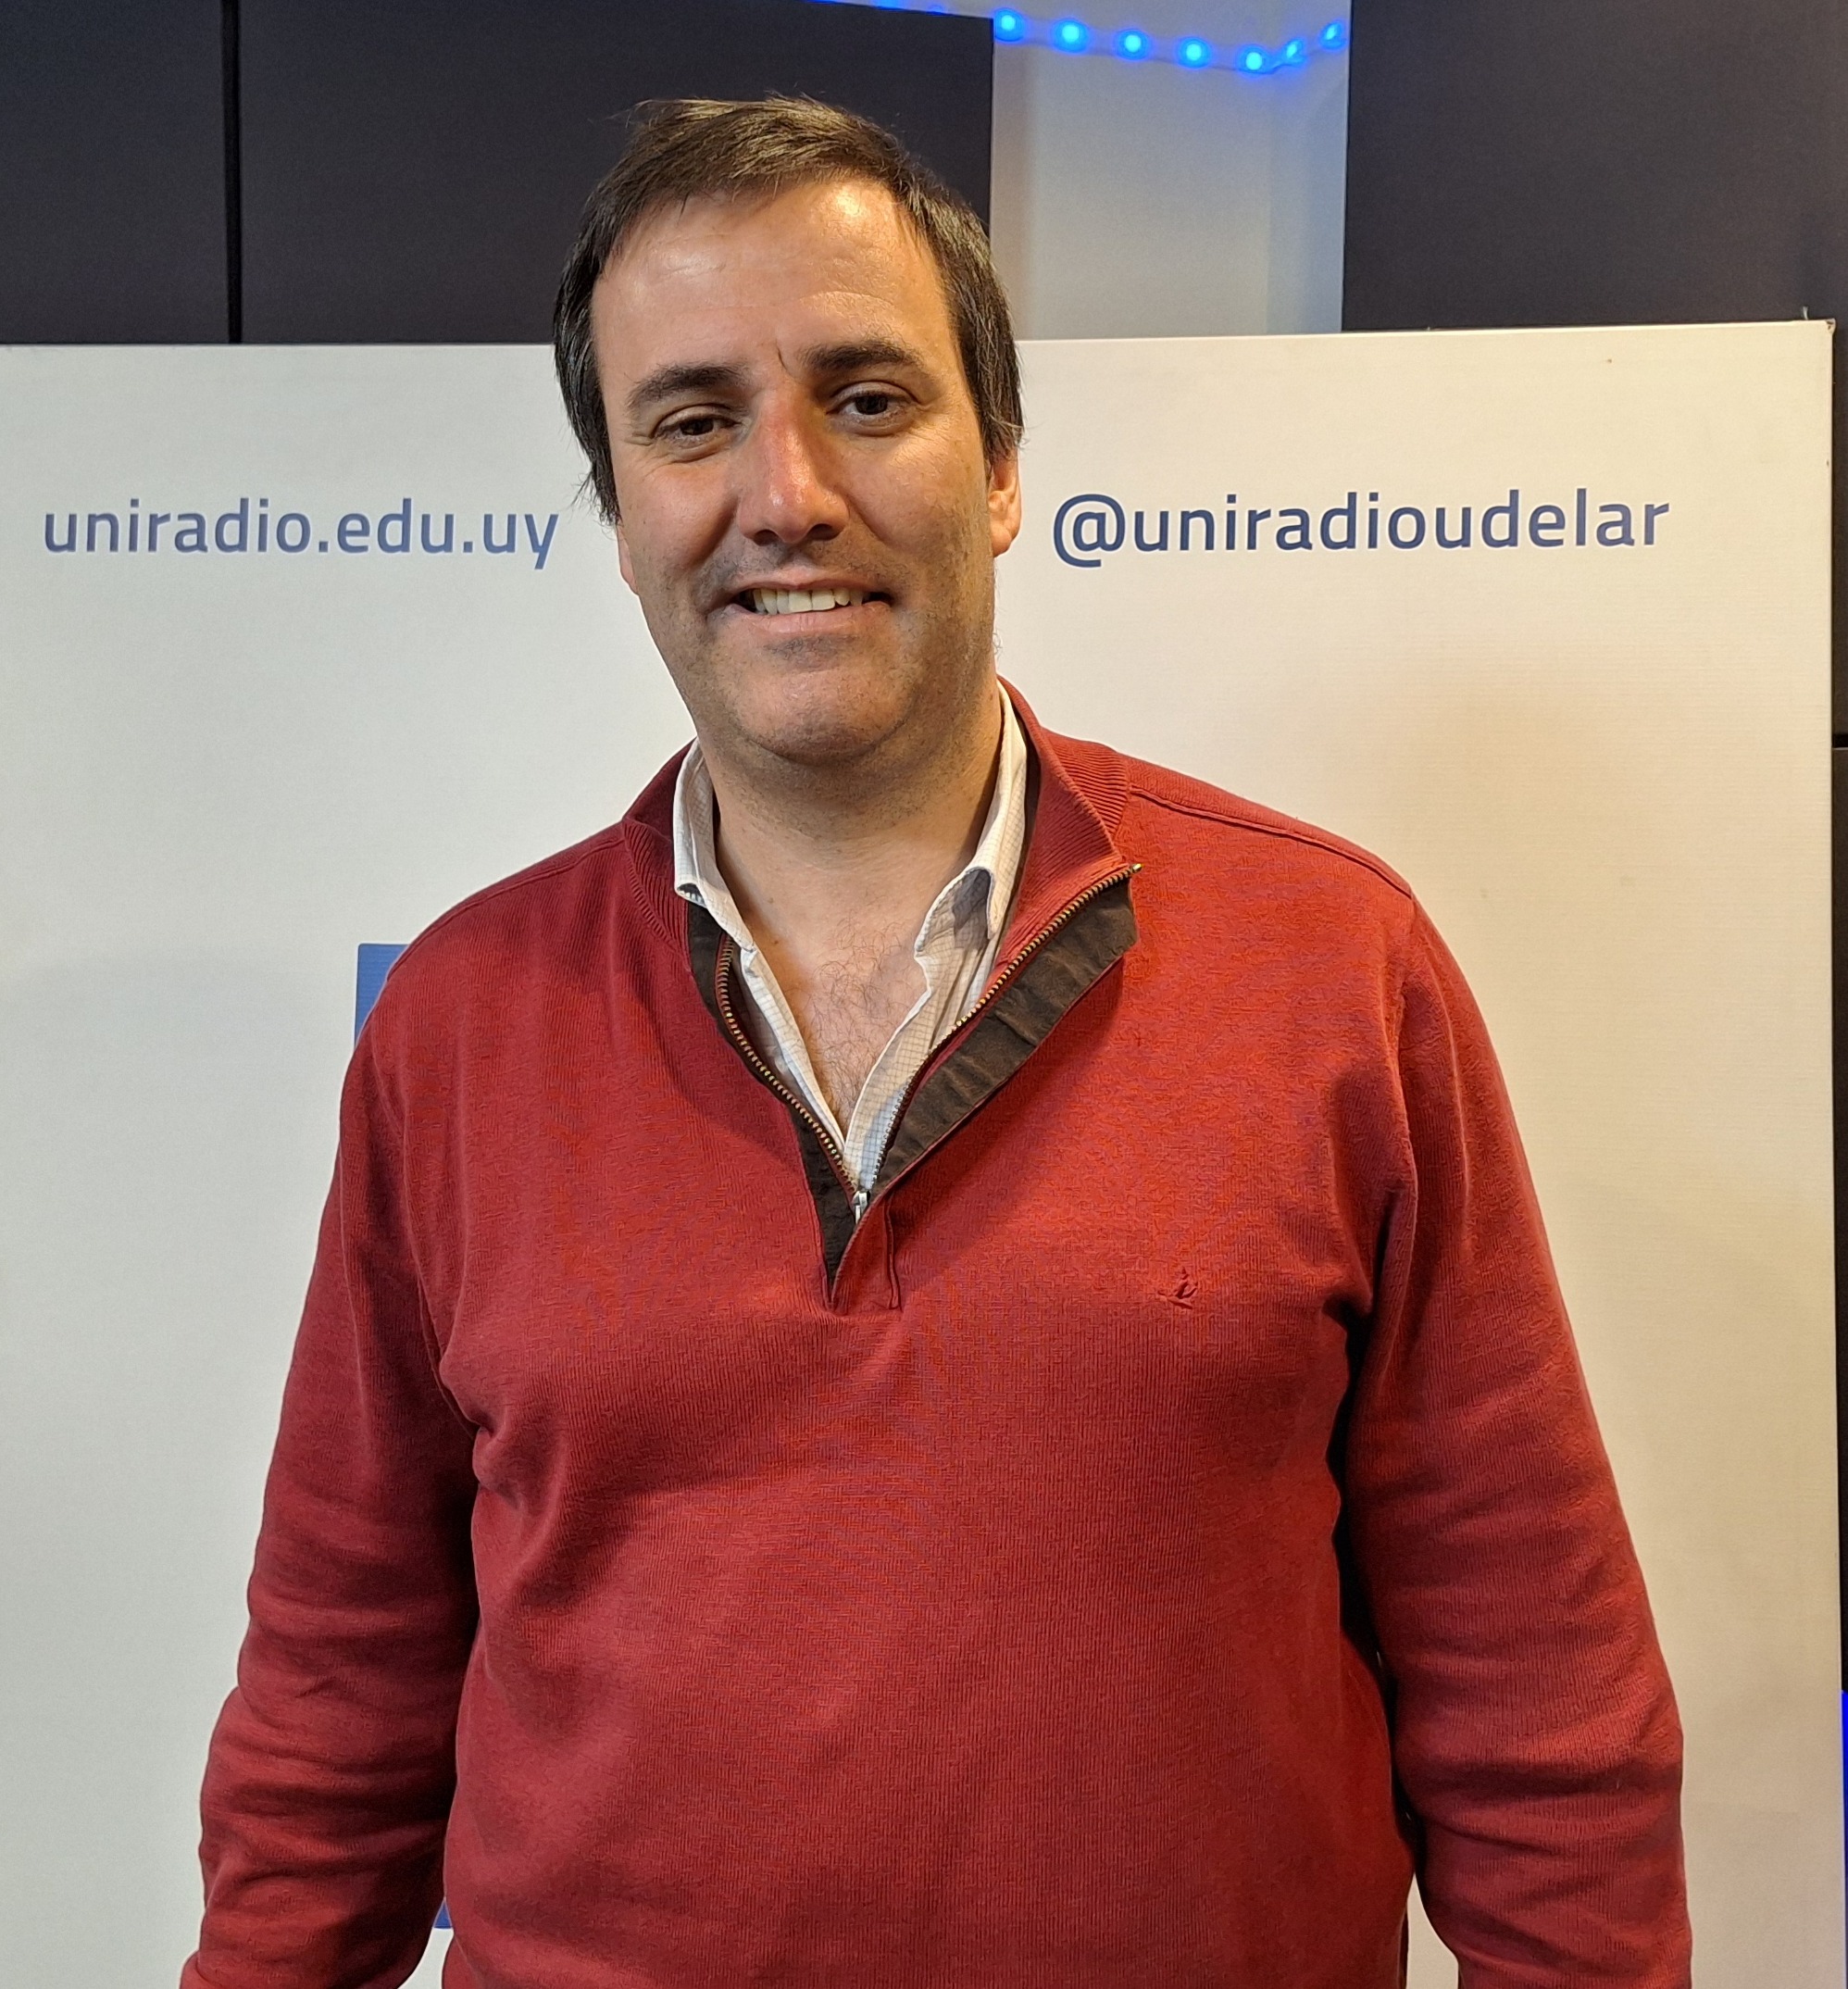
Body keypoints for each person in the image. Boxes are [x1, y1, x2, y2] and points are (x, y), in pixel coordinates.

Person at [184, 97, 1687, 1989]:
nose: (787, 494)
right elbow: (338, 1696)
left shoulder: (1333, 966)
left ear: (1000, 468)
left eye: (869, 398)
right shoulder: (463, 1023)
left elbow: (1540, 1700)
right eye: (692, 422)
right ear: (622, 516)